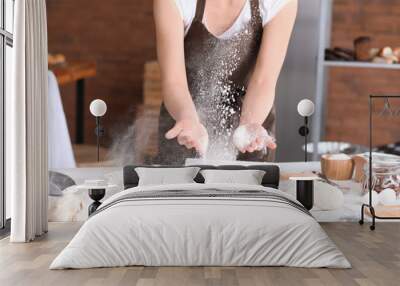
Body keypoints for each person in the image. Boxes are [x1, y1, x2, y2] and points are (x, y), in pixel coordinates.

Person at [154, 0, 297, 164]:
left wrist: (249, 126)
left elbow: (263, 81)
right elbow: (174, 81)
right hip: (185, 124)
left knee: (249, 187)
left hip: (251, 128)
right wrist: (188, 119)